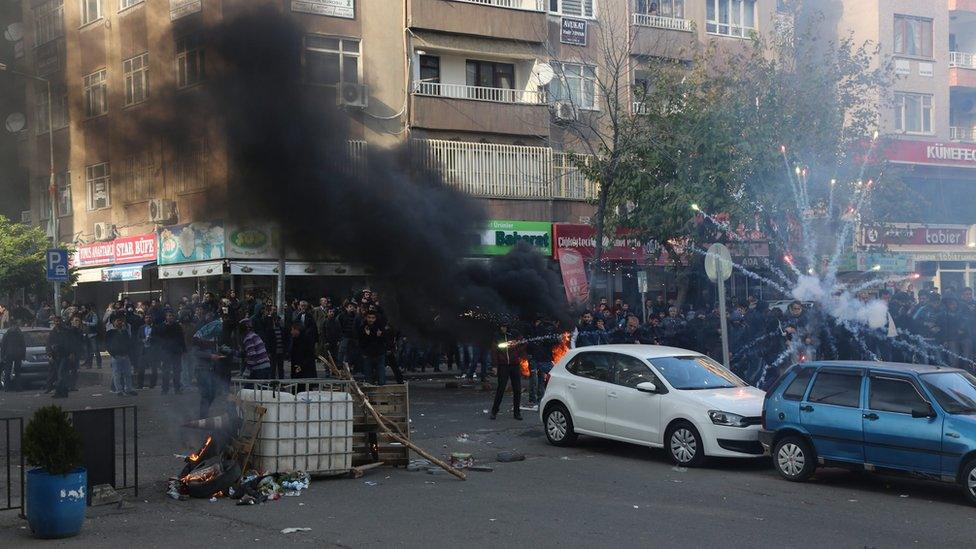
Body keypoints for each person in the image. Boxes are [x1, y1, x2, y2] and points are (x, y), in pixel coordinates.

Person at [490, 325, 523, 421]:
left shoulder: (515, 334)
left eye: (504, 327)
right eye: (501, 327)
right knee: (501, 388)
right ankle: (494, 411)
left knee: (517, 389)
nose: (503, 329)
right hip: (503, 365)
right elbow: (494, 351)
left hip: (515, 365)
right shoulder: (497, 336)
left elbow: (523, 344)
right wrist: (495, 366)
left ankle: (517, 412)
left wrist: (517, 351)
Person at [106, 315, 137, 396]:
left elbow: (129, 344)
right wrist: (113, 354)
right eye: (118, 321)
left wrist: (128, 353)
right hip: (116, 356)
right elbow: (108, 345)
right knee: (117, 374)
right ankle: (119, 390)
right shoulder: (110, 333)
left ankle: (128, 389)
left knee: (128, 373)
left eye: (121, 321)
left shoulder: (125, 332)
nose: (120, 322)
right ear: (113, 322)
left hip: (125, 355)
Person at [157, 311, 186, 394]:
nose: (170, 317)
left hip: (176, 351)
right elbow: (160, 336)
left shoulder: (177, 326)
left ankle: (177, 389)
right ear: (166, 317)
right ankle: (165, 389)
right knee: (166, 371)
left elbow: (181, 338)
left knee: (177, 371)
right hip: (166, 351)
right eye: (169, 316)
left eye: (172, 316)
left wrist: (184, 349)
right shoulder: (162, 326)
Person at [358, 310, 387, 385]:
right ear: (366, 318)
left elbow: (385, 339)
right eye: (369, 317)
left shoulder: (380, 327)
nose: (371, 319)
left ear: (375, 318)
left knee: (381, 378)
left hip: (379, 353)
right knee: (368, 378)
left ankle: (382, 392)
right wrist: (367, 335)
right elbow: (361, 342)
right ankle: (370, 394)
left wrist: (380, 336)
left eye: (373, 318)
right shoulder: (363, 327)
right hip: (368, 354)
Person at [1, 319, 26, 390]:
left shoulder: (7, 333)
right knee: (17, 371)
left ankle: (7, 387)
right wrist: (23, 355)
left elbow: (3, 345)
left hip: (9, 354)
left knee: (8, 371)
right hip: (18, 354)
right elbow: (23, 344)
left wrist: (2, 356)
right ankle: (17, 387)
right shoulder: (19, 333)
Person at [136, 315, 159, 390]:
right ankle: (140, 385)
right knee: (141, 369)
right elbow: (138, 338)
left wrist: (151, 339)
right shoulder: (141, 328)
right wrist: (142, 340)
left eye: (149, 317)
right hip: (143, 350)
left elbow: (158, 338)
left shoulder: (155, 328)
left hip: (152, 350)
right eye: (146, 318)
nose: (148, 319)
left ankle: (153, 384)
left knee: (154, 369)